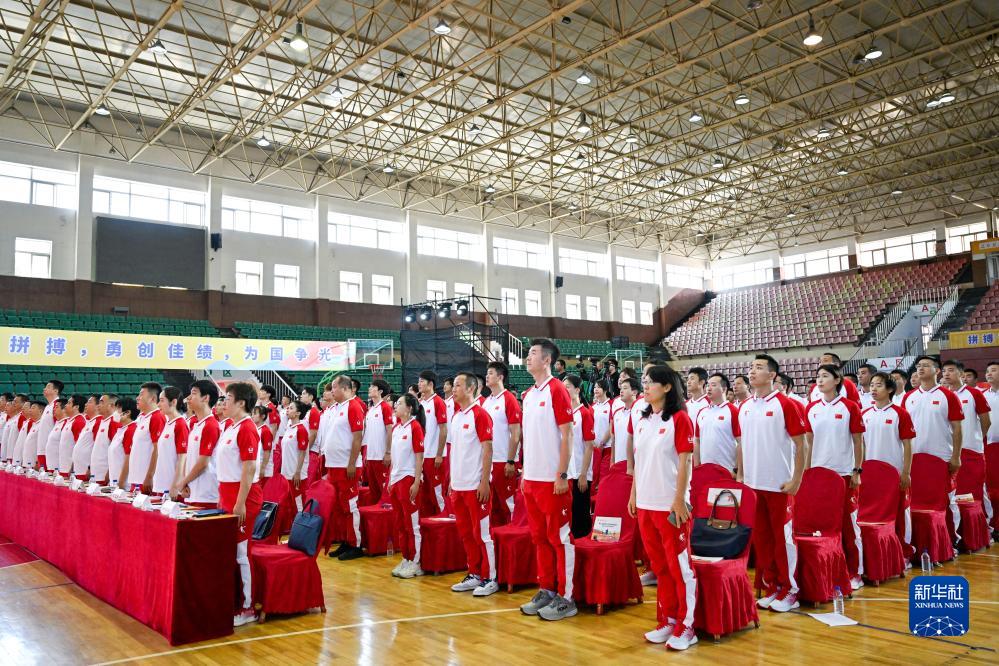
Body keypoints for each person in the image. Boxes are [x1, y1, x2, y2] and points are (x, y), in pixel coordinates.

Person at [628, 364, 698, 650]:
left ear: (667, 387)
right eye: (643, 381)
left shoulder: (680, 419)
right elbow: (639, 461)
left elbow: (686, 461)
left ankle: (687, 625)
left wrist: (679, 498)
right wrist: (634, 494)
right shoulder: (643, 420)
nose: (645, 386)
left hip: (670, 505)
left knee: (680, 567)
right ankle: (667, 619)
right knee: (660, 567)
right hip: (646, 504)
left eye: (651, 382)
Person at [740, 354, 806, 613]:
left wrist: (796, 479)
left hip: (780, 484)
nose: (752, 371)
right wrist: (742, 476)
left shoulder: (785, 404)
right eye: (751, 367)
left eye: (759, 367)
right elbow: (742, 445)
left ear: (772, 375)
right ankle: (773, 586)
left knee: (783, 539)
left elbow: (801, 444)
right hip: (754, 484)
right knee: (764, 540)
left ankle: (791, 590)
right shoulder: (745, 406)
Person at [518, 338, 576, 621]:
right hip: (532, 478)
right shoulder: (529, 394)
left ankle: (567, 596)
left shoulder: (557, 389)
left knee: (560, 539)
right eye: (528, 353)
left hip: (554, 480)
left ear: (547, 360)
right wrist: (525, 473)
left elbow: (568, 434)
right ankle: (547, 588)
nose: (528, 357)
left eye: (533, 353)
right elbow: (529, 438)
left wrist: (562, 473)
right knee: (539, 538)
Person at [804, 365, 866, 590]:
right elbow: (809, 442)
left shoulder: (850, 407)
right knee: (823, 524)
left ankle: (855, 571)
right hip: (819, 473)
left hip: (844, 473)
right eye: (818, 376)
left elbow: (858, 441)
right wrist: (807, 471)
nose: (819, 381)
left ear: (837, 380)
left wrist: (857, 471)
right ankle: (831, 569)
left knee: (848, 525)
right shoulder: (811, 408)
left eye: (825, 376)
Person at [902, 356, 964, 550]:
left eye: (926, 366)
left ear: (937, 371)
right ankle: (918, 544)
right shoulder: (909, 397)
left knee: (946, 500)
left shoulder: (948, 396)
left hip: (941, 457)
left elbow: (957, 428)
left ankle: (951, 540)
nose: (920, 369)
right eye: (918, 366)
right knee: (915, 502)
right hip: (914, 458)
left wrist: (956, 456)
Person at [447, 372, 498, 597]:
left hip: (475, 486)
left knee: (482, 534)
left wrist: (484, 481)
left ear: (470, 388)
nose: (453, 389)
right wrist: (452, 481)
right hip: (458, 485)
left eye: (458, 385)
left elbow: (487, 449)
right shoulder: (456, 417)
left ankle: (490, 577)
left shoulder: (480, 414)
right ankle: (474, 572)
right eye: (453, 385)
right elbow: (455, 451)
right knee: (466, 534)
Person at [216, 382, 263, 628]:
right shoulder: (229, 427)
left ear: (241, 403)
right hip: (228, 494)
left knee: (242, 553)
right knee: (231, 552)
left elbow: (249, 467)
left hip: (243, 497)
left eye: (228, 398)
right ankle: (235, 600)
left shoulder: (247, 428)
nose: (223, 402)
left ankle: (248, 607)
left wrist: (240, 502)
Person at [862, 372, 916, 560]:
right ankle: (880, 554)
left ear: (890, 389)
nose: (873, 389)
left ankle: (904, 552)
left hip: (894, 473)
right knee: (875, 513)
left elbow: (908, 445)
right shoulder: (865, 414)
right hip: (870, 474)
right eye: (872, 385)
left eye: (879, 385)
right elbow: (861, 444)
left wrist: (906, 472)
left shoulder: (900, 414)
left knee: (900, 513)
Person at [941, 359, 992, 537]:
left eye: (951, 370)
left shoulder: (974, 394)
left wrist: (975, 439)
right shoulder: (942, 395)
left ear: (962, 374)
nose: (946, 374)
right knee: (952, 496)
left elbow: (986, 421)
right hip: (947, 453)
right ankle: (956, 533)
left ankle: (976, 533)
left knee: (970, 495)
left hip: (971, 452)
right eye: (944, 371)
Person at [323, 375, 366, 561]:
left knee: (350, 505)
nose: (331, 390)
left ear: (345, 388)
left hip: (346, 466)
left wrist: (352, 462)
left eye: (334, 387)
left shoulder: (353, 406)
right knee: (339, 508)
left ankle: (356, 544)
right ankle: (345, 540)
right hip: (333, 465)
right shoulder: (337, 408)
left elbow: (358, 437)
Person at [389, 393, 425, 579]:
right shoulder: (396, 428)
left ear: (409, 408)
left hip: (408, 478)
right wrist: (390, 479)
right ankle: (406, 557)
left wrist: (417, 481)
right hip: (396, 480)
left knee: (412, 523)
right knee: (400, 523)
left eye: (400, 403)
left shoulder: (415, 427)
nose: (396, 406)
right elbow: (394, 457)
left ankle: (416, 562)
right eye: (396, 403)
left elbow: (419, 456)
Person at [484, 361, 522, 526]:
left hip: (503, 461)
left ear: (500, 377)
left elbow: (516, 434)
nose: (487, 376)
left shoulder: (509, 399)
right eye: (487, 373)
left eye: (491, 373)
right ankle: (494, 538)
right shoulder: (486, 401)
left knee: (508, 505)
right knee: (491, 506)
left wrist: (511, 460)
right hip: (488, 461)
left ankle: (511, 535)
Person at [173, 381, 221, 508]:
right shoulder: (197, 425)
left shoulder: (210, 425)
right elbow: (189, 457)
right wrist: (185, 482)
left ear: (206, 398)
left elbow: (203, 463)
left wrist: (183, 482)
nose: (188, 398)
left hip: (205, 493)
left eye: (194, 393)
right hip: (192, 490)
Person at [564, 374, 595, 538]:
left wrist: (583, 474)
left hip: (580, 473)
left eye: (567, 387)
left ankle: (582, 545)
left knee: (580, 514)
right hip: (566, 473)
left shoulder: (584, 413)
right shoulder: (563, 413)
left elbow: (589, 446)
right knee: (568, 512)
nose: (564, 390)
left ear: (577, 389)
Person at [122, 383, 167, 493]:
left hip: (146, 481)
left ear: (153, 399)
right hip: (136, 479)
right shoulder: (142, 418)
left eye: (141, 394)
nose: (137, 398)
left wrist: (150, 476)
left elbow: (158, 449)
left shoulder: (157, 417)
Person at [693, 373, 741, 474]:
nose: (709, 388)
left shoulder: (733, 411)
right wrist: (696, 466)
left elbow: (741, 442)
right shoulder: (702, 412)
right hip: (705, 470)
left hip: (727, 470)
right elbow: (697, 440)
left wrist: (737, 470)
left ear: (724, 389)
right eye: (707, 385)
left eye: (713, 385)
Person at [417, 370, 448, 516]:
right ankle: (427, 519)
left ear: (431, 384)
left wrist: (439, 454)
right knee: (424, 492)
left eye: (422, 381)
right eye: (418, 381)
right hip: (421, 456)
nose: (419, 384)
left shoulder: (438, 402)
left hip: (434, 455)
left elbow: (443, 430)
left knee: (437, 491)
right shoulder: (420, 403)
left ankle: (442, 517)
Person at [151, 386, 189, 497]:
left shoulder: (180, 424)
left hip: (170, 486)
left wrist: (175, 486)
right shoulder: (168, 423)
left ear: (173, 402)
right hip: (161, 483)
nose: (158, 404)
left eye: (162, 400)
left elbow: (182, 458)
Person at [362, 380, 394, 503]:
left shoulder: (385, 407)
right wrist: (366, 454)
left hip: (381, 456)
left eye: (372, 387)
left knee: (384, 491)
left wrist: (388, 452)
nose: (369, 388)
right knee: (374, 492)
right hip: (371, 456)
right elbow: (368, 434)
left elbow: (390, 430)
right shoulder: (370, 411)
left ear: (380, 391)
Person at [279, 399, 310, 507]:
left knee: (298, 505)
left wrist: (298, 472)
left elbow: (302, 453)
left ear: (298, 413)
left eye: (291, 408)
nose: (288, 409)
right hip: (286, 473)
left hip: (296, 475)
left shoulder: (301, 430)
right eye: (288, 407)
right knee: (288, 505)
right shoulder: (289, 428)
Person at [610, 376, 640, 473]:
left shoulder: (641, 413)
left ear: (634, 392)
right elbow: (614, 439)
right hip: (618, 462)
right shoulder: (616, 413)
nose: (621, 391)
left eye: (625, 388)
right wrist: (612, 461)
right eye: (621, 388)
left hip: (635, 463)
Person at [90, 393, 120, 484]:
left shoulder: (114, 422)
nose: (98, 405)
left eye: (102, 402)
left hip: (104, 474)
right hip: (96, 473)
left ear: (111, 405)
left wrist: (108, 473)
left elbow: (116, 450)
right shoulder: (103, 421)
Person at [70, 394, 102, 480]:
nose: (86, 404)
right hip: (78, 469)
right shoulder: (89, 422)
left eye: (90, 402)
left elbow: (97, 448)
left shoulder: (98, 422)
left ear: (97, 406)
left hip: (86, 470)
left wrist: (90, 467)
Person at [108, 398, 137, 489]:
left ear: (127, 412)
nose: (115, 412)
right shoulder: (121, 430)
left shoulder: (131, 430)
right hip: (115, 481)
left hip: (124, 484)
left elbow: (128, 458)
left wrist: (121, 482)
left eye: (118, 409)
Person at [591, 378, 613, 493]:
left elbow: (611, 426)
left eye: (598, 387)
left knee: (604, 476)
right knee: (594, 475)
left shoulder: (611, 405)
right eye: (595, 387)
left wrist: (603, 442)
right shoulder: (593, 406)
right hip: (594, 447)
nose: (596, 389)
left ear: (605, 389)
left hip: (607, 447)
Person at [57, 395, 87, 478]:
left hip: (71, 470)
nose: (65, 405)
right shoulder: (69, 421)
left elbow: (80, 447)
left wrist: (72, 468)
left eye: (69, 403)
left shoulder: (79, 422)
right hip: (63, 467)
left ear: (76, 407)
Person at [35, 379, 61, 469]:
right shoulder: (47, 407)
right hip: (42, 449)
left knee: (50, 475)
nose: (44, 389)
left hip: (51, 450)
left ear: (56, 391)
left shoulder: (57, 406)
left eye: (48, 387)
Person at [300, 386, 323, 489]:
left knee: (307, 483)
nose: (301, 395)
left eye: (304, 393)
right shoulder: (306, 412)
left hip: (311, 452)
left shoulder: (313, 412)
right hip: (305, 451)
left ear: (311, 397)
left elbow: (313, 434)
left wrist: (306, 451)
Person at [41, 398, 67, 474]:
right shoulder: (57, 423)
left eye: (56, 407)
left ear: (64, 409)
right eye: (54, 407)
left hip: (59, 468)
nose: (54, 409)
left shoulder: (65, 423)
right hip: (51, 466)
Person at [251, 405, 274, 487]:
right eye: (252, 413)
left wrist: (263, 468)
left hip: (263, 470)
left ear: (263, 416)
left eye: (255, 414)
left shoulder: (265, 431)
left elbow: (267, 451)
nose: (252, 416)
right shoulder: (255, 429)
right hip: (256, 467)